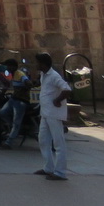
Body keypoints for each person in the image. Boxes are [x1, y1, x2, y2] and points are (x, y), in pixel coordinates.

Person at [33, 52, 72, 180]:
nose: (36, 64)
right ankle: (48, 167)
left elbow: (66, 90)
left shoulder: (54, 76)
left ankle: (60, 172)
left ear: (43, 63)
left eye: (38, 62)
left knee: (58, 143)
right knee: (43, 140)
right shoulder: (43, 75)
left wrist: (58, 100)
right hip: (45, 113)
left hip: (54, 114)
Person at [0, 59, 31, 148]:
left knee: (16, 122)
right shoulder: (11, 75)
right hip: (13, 99)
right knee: (2, 113)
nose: (7, 68)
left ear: (14, 67)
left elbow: (28, 83)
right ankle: (14, 128)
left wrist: (24, 89)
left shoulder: (20, 74)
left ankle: (9, 142)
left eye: (9, 66)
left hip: (21, 101)